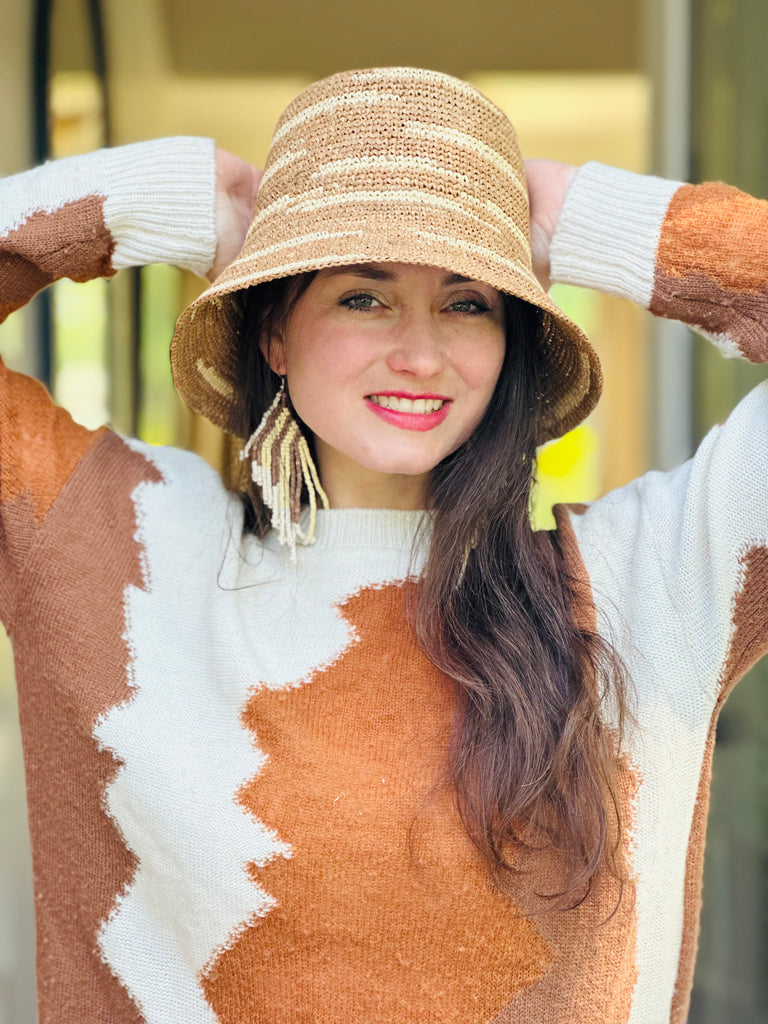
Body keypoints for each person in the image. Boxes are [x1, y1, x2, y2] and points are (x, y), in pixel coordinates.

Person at [0, 66, 766, 1024]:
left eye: (468, 301)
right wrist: (159, 195)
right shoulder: (117, 546)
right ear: (275, 331)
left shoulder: (644, 577)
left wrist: (586, 217)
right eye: (363, 295)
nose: (419, 352)